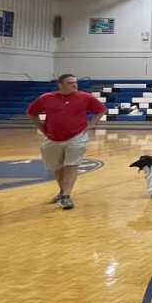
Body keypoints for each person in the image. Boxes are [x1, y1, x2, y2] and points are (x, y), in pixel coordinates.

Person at [26, 73, 106, 210]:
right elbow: (31, 112)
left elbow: (101, 110)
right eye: (70, 83)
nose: (74, 85)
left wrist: (91, 125)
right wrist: (41, 127)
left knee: (71, 165)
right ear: (60, 85)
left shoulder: (85, 97)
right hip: (52, 137)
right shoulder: (46, 98)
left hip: (77, 136)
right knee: (57, 167)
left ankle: (66, 196)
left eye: (75, 82)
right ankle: (63, 191)